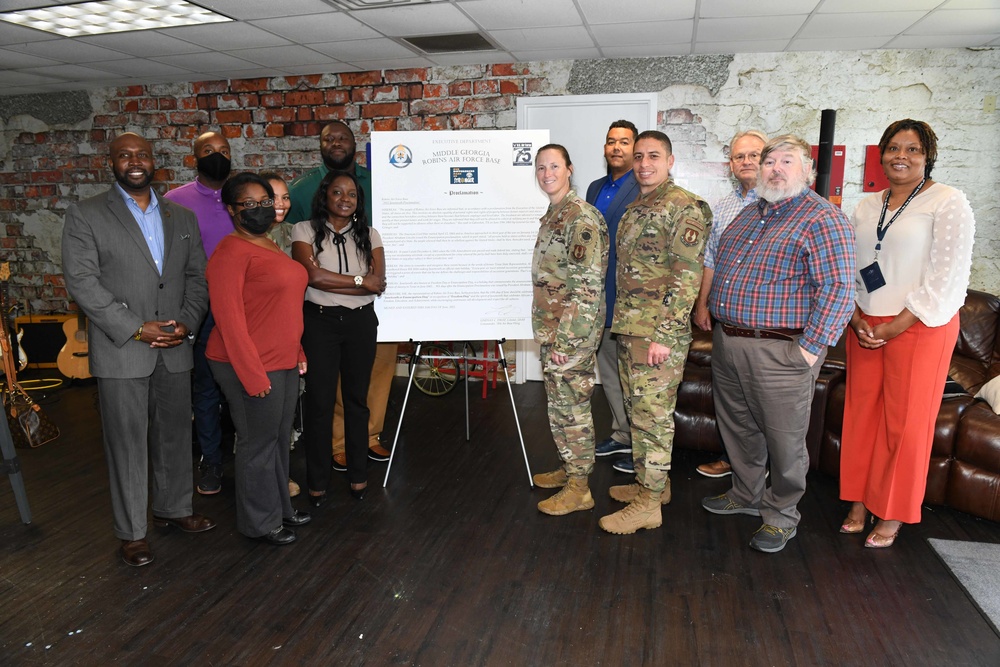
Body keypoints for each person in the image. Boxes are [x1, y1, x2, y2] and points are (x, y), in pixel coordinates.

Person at [62, 132, 214, 567]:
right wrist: (135, 328)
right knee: (127, 443)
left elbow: (197, 278)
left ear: (154, 161)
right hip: (122, 347)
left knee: (174, 434)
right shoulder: (86, 214)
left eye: (142, 155)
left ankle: (175, 508)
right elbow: (82, 283)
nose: (134, 161)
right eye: (125, 155)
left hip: (175, 343)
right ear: (110, 162)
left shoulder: (180, 216)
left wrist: (186, 321)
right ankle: (132, 532)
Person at [701, 134, 855, 554]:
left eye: (787, 161)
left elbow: (840, 289)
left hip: (781, 351)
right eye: (770, 161)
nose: (775, 168)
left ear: (806, 169)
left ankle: (781, 514)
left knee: (785, 442)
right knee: (739, 429)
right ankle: (745, 494)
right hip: (729, 341)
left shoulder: (823, 219)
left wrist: (809, 349)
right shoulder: (747, 216)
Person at [839, 120, 975, 549]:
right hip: (865, 324)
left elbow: (948, 276)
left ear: (927, 155)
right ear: (881, 154)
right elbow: (850, 267)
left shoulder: (948, 201)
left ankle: (893, 511)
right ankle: (859, 501)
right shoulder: (864, 205)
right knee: (860, 419)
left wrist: (897, 323)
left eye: (913, 149)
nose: (902, 156)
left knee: (905, 425)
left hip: (920, 327)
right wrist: (855, 315)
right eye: (894, 148)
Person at [599, 130, 712, 535]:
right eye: (640, 156)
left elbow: (687, 276)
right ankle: (654, 486)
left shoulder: (683, 207)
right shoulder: (637, 207)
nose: (645, 164)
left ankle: (649, 505)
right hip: (630, 328)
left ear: (670, 160)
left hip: (657, 334)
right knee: (638, 413)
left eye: (654, 156)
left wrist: (665, 334)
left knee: (653, 418)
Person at [206, 172, 311, 546]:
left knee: (278, 440)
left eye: (265, 202)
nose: (260, 209)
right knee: (257, 443)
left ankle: (280, 508)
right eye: (249, 204)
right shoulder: (230, 251)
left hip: (280, 358)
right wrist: (252, 375)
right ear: (232, 209)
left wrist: (296, 350)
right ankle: (259, 522)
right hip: (248, 363)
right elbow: (229, 320)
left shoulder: (267, 244)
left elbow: (280, 308)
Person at [286, 121, 395, 467]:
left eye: (342, 138)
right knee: (329, 380)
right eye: (328, 138)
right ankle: (338, 443)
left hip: (376, 296)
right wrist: (358, 280)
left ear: (355, 144)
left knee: (377, 368)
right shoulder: (302, 189)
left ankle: (369, 435)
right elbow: (305, 261)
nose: (335, 143)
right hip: (326, 304)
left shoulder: (379, 181)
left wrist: (368, 279)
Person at [292, 170, 386, 505]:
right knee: (318, 402)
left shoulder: (371, 234)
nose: (344, 199)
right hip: (320, 323)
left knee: (357, 402)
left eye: (352, 194)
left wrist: (339, 279)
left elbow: (379, 282)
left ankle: (358, 476)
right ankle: (317, 480)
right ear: (325, 196)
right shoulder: (302, 230)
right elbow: (312, 276)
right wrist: (359, 280)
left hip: (361, 323)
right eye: (337, 193)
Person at [529, 145, 609, 515]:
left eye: (554, 166)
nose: (547, 173)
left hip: (569, 335)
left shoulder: (580, 218)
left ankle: (580, 488)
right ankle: (569, 468)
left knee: (572, 409)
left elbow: (587, 288)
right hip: (553, 331)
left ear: (569, 170)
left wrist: (566, 341)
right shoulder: (554, 214)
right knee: (560, 406)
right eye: (541, 167)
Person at [692, 130, 768, 479]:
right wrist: (702, 305)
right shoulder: (722, 207)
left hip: (769, 324)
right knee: (731, 398)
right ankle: (732, 460)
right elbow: (710, 259)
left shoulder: (784, 203)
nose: (747, 161)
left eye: (755, 154)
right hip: (727, 320)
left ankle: (764, 469)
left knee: (763, 401)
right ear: (731, 165)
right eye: (740, 156)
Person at [162, 130, 233, 495]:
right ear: (194, 158)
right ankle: (211, 461)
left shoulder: (245, 197)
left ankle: (252, 458)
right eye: (208, 150)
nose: (217, 155)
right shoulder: (174, 202)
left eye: (223, 150)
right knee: (206, 388)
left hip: (245, 310)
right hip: (202, 311)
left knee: (247, 387)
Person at [583, 120, 641, 475]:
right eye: (610, 142)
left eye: (623, 141)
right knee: (607, 369)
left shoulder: (643, 185)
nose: (616, 147)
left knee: (632, 375)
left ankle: (639, 444)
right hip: (597, 296)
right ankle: (621, 433)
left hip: (630, 298)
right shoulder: (593, 188)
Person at [261, 171, 302, 498]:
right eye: (273, 197)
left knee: (286, 412)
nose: (281, 204)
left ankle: (279, 475)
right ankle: (265, 481)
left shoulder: (296, 233)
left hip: (294, 332)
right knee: (264, 416)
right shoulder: (246, 238)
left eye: (285, 197)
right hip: (262, 336)